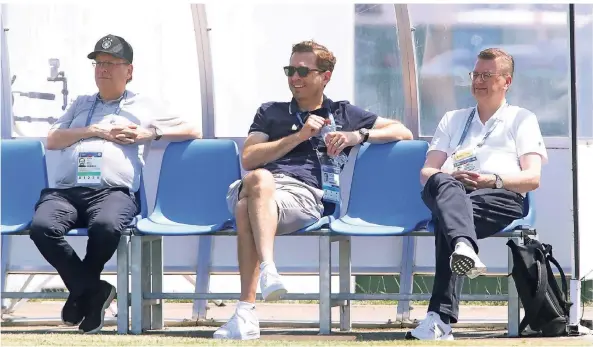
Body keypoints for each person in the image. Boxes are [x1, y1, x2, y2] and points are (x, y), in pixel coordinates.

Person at [213, 40, 413, 340]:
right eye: (290, 70)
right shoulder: (271, 111)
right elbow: (249, 158)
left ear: (326, 76)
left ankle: (246, 312)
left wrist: (357, 135)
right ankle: (268, 268)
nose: (295, 77)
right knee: (259, 179)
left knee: (246, 207)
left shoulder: (343, 113)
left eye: (303, 71)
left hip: (304, 198)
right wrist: (300, 136)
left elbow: (403, 131)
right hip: (256, 186)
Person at [28, 34, 201, 334]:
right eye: (98, 63)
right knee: (41, 227)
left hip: (112, 193)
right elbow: (53, 139)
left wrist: (150, 134)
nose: (102, 69)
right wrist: (91, 130)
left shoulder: (144, 104)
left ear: (129, 71)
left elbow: (192, 129)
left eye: (110, 63)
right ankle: (92, 289)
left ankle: (82, 291)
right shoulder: (81, 104)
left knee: (107, 226)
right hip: (66, 192)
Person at [406, 48, 548, 341]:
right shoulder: (453, 119)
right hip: (452, 191)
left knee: (450, 218)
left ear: (506, 81)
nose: (478, 81)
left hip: (498, 196)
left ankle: (440, 317)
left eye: (487, 75)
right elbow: (427, 172)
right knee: (443, 184)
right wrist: (451, 177)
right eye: (475, 74)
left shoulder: (522, 119)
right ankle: (464, 247)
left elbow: (532, 178)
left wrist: (492, 180)